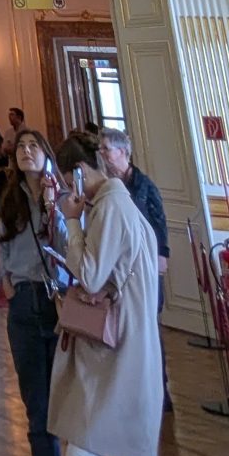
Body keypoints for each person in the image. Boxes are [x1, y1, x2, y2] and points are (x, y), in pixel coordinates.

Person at [50, 153, 182, 456]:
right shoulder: (121, 204)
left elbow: (89, 275)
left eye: (70, 177)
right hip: (138, 349)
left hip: (120, 356)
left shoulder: (109, 207)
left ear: (80, 171)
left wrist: (71, 222)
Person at [0, 129, 96, 456]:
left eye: (33, 146)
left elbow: (72, 247)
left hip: (61, 304)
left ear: (47, 154)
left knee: (76, 415)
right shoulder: (10, 198)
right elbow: (5, 242)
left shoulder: (69, 197)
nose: (25, 152)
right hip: (24, 305)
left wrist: (55, 206)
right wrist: (8, 281)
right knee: (38, 414)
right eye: (20, 147)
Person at [95, 125, 172, 412]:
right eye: (101, 149)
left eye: (107, 149)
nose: (102, 154)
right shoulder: (105, 186)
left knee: (148, 326)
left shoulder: (143, 185)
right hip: (118, 267)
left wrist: (162, 255)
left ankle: (158, 388)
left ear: (123, 152)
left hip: (144, 265)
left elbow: (158, 222)